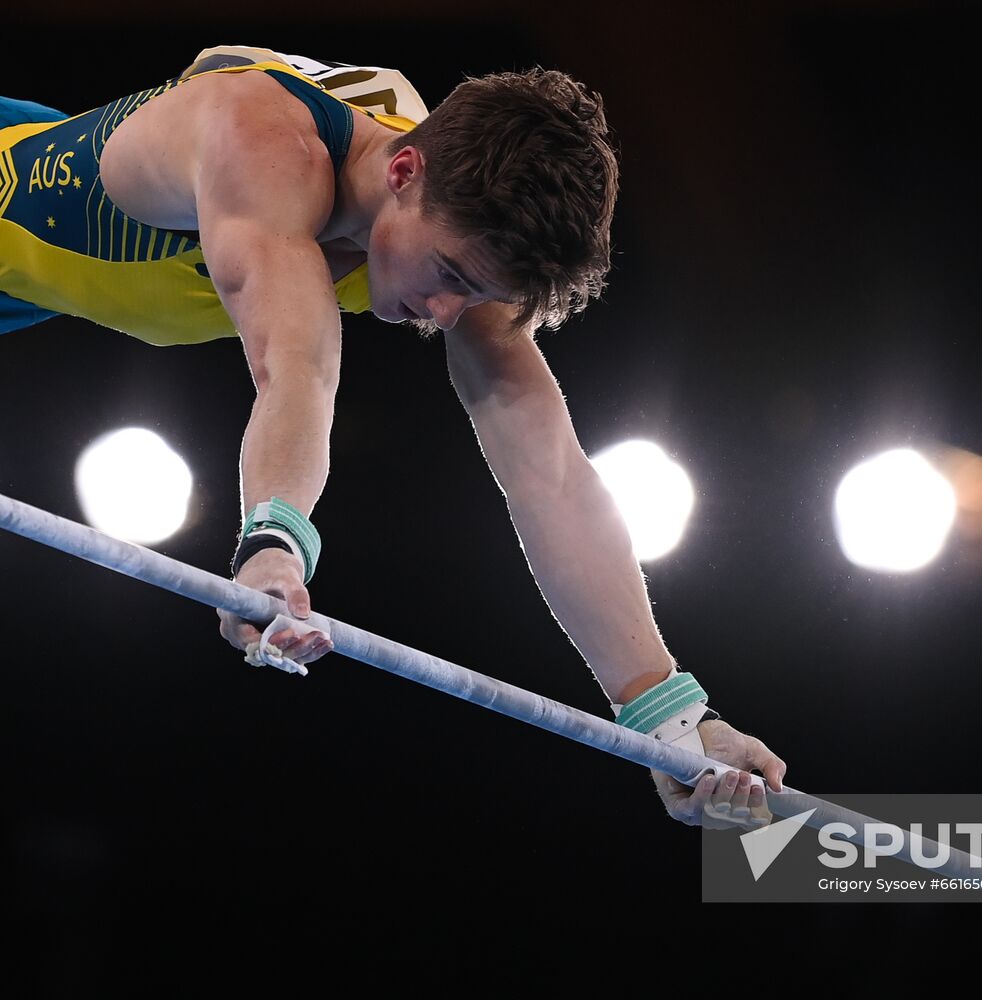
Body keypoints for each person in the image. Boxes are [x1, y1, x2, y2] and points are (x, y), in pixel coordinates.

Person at [0, 46, 785, 830]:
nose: (446, 312)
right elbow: (297, 369)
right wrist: (273, 546)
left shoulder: (454, 209)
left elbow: (551, 474)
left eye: (475, 292)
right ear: (403, 171)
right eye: (449, 273)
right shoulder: (262, 144)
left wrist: (671, 719)